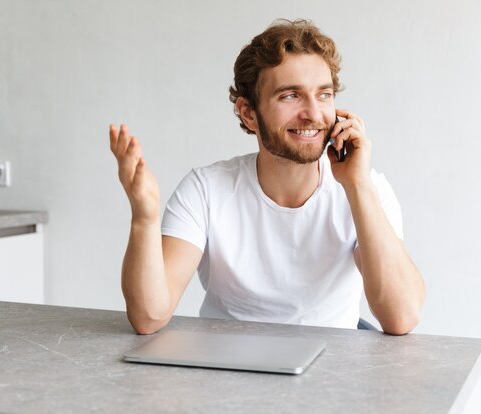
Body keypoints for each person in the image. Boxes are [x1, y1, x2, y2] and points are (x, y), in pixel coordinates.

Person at [109, 19, 425, 336]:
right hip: (228, 368)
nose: (314, 114)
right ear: (248, 113)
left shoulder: (367, 189)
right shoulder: (206, 189)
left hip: (332, 371)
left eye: (324, 94)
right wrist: (144, 217)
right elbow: (149, 317)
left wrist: (357, 186)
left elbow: (401, 317)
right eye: (291, 96)